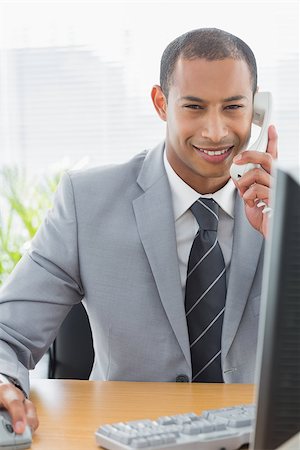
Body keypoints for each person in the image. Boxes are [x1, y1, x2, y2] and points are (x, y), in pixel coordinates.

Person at [0, 27, 277, 434]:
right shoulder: (88, 201)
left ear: (256, 108)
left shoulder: (288, 207)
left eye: (233, 107)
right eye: (195, 107)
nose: (216, 132)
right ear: (162, 104)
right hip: (125, 433)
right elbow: (9, 333)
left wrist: (287, 236)